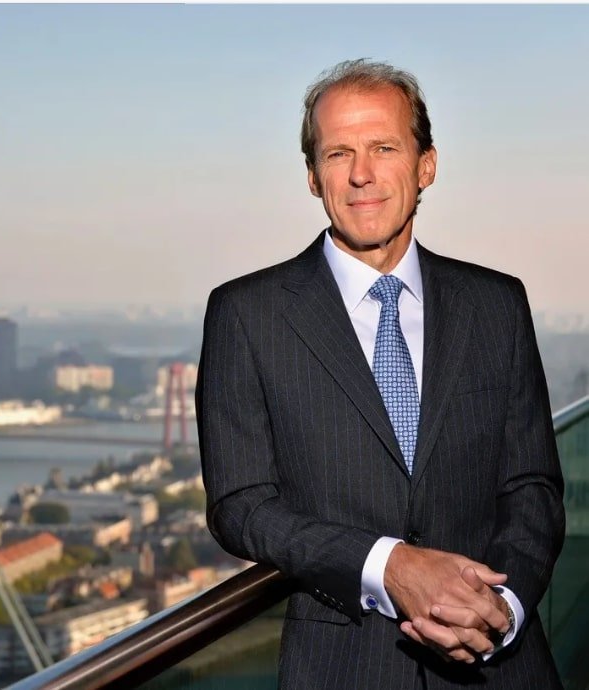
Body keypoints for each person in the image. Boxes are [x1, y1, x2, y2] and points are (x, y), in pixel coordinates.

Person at [195, 59, 565, 689]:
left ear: (426, 166)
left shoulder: (497, 304)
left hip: (502, 666)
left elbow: (532, 486)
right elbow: (240, 506)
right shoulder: (247, 314)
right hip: (343, 668)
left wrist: (502, 608)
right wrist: (387, 565)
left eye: (384, 148)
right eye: (338, 153)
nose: (361, 173)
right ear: (313, 176)